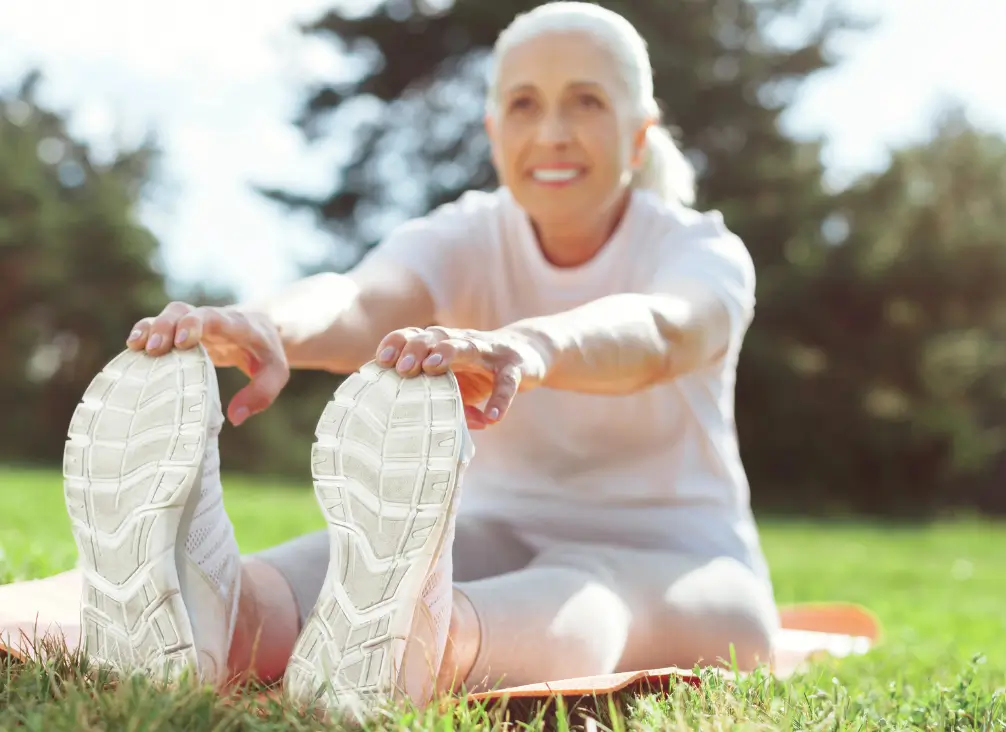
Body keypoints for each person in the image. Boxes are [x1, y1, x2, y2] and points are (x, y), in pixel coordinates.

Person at [48, 0, 780, 720]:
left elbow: (657, 333)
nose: (552, 133)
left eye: (586, 102)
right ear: (494, 131)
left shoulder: (701, 251)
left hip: (682, 556)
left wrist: (527, 345)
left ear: (639, 133)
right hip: (491, 529)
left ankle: (430, 640)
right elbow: (364, 300)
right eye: (524, 105)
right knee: (360, 560)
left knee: (594, 584)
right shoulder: (467, 233)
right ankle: (225, 614)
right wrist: (264, 324)